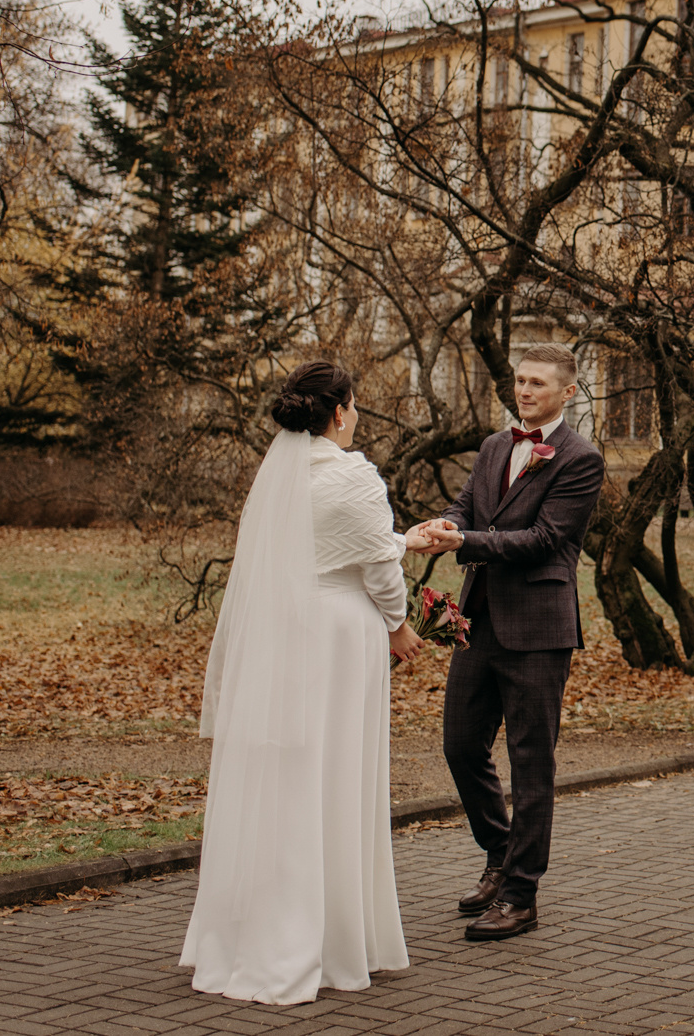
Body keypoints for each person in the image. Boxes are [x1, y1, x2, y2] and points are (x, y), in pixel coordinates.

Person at [182, 360, 423, 1006]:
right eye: (356, 406)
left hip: (285, 636)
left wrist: (407, 540)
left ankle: (249, 933)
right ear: (340, 411)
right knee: (335, 778)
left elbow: (332, 546)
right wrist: (400, 626)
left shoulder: (280, 479)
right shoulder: (355, 476)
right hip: (341, 641)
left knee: (284, 780)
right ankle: (332, 939)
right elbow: (374, 568)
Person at [405, 342, 604, 941]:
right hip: (479, 622)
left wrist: (463, 541)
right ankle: (499, 853)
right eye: (520, 380)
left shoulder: (581, 458)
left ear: (568, 392)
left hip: (540, 630)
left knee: (530, 763)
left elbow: (544, 540)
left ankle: (521, 895)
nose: (525, 391)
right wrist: (443, 524)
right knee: (461, 746)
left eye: (538, 383)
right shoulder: (496, 445)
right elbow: (468, 507)